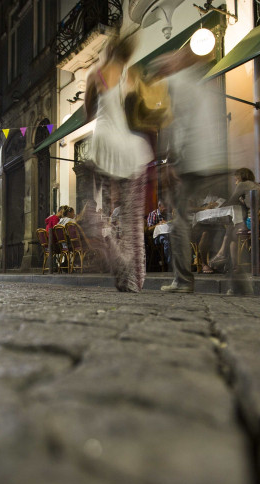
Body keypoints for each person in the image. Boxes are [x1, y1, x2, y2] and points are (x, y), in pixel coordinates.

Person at [150, 46, 231, 293]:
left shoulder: (175, 83)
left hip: (191, 162)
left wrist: (170, 160)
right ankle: (236, 278)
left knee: (179, 224)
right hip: (214, 159)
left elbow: (178, 124)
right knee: (218, 219)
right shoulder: (202, 84)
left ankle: (184, 281)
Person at [85, 33, 153, 292]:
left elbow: (87, 112)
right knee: (132, 220)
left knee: (98, 211)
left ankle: (114, 256)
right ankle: (133, 280)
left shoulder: (97, 73)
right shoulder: (130, 75)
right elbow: (138, 109)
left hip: (103, 143)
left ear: (109, 49)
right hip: (129, 148)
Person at [210, 168, 260, 271]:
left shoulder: (243, 185)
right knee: (232, 228)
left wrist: (217, 205)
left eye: (236, 180)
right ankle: (226, 258)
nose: (236, 183)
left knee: (232, 232)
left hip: (255, 223)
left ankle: (229, 260)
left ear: (240, 178)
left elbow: (231, 201)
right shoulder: (257, 185)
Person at [147, 199, 173, 268]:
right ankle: (170, 264)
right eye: (165, 207)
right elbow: (149, 229)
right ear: (159, 206)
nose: (166, 208)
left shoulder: (168, 214)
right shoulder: (153, 214)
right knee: (166, 241)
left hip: (169, 234)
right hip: (157, 237)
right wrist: (158, 224)